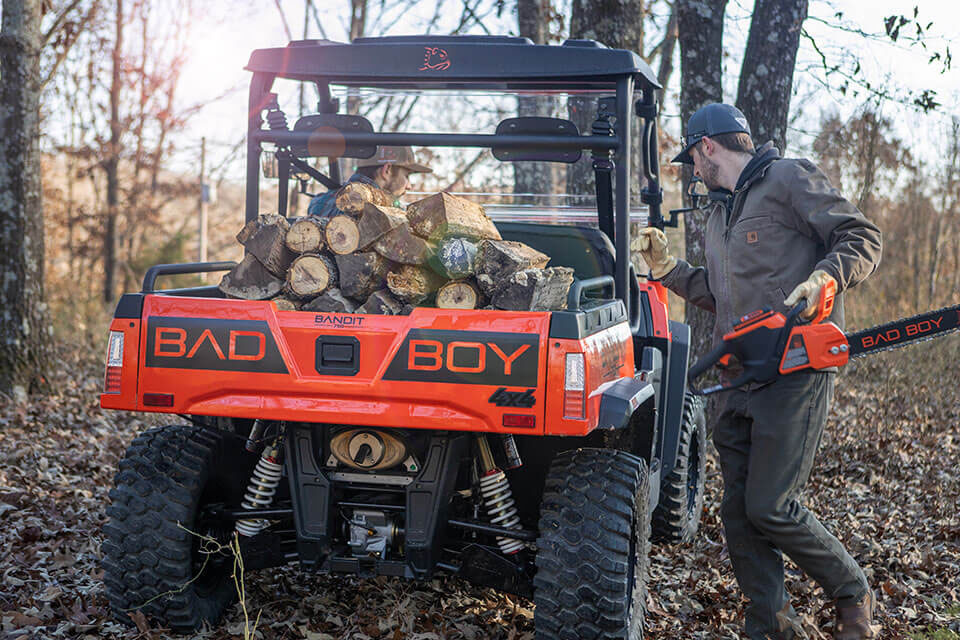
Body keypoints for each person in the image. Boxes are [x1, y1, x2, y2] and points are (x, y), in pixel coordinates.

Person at [639, 103, 882, 640]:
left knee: (772, 505)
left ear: (707, 147)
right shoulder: (722, 214)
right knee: (740, 516)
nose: (694, 173)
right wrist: (669, 272)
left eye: (693, 161)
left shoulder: (788, 178)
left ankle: (851, 592)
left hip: (797, 370)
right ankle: (770, 625)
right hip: (741, 377)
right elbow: (721, 297)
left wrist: (826, 279)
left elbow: (862, 238)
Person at [307, 146, 432, 217]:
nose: (409, 186)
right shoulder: (392, 213)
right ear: (387, 170)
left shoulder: (318, 202)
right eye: (407, 176)